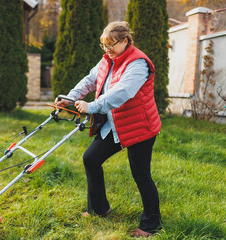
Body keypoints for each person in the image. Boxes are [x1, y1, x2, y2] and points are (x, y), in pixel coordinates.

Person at [56, 21, 162, 238]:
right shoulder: (108, 60)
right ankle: (99, 208)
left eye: (111, 45)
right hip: (116, 124)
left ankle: (151, 224)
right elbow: (90, 80)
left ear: (125, 41)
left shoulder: (138, 63)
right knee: (91, 159)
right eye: (104, 46)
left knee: (141, 175)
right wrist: (70, 97)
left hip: (139, 126)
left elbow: (122, 93)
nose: (107, 50)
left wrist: (91, 107)